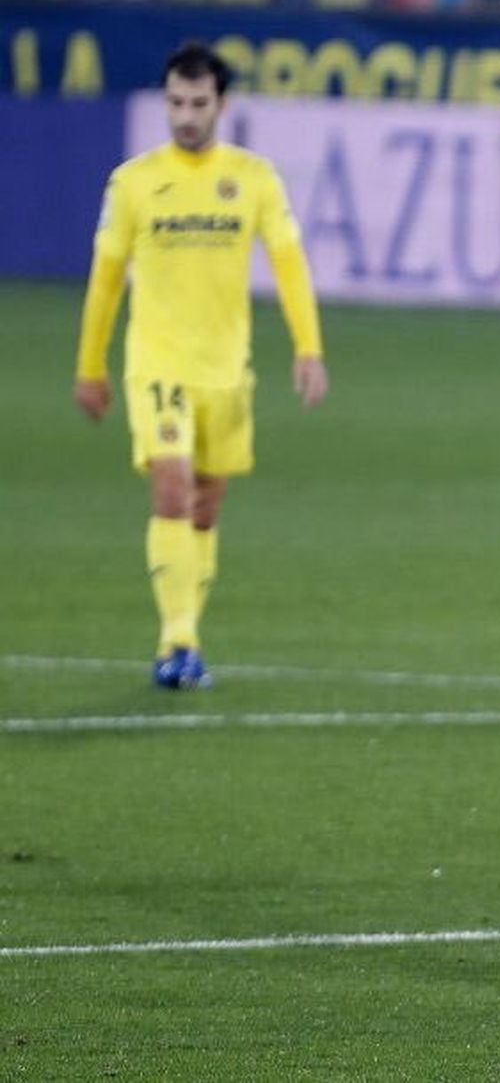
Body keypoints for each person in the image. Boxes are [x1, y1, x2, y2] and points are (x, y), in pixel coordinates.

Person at [73, 41, 328, 690]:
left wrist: (308, 350)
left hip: (226, 371)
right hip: (157, 363)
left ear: (222, 104)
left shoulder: (254, 178)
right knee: (171, 490)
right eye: (175, 103)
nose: (184, 116)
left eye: (197, 103)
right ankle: (176, 642)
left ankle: (189, 632)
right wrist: (90, 364)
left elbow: (290, 265)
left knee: (207, 506)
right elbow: (106, 279)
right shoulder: (132, 182)